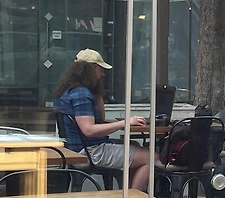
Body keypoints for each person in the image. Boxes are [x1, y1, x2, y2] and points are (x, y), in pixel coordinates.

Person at [53, 49, 157, 190]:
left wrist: (97, 92)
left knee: (134, 146)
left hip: (78, 149)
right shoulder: (81, 94)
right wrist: (125, 122)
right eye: (100, 70)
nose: (103, 74)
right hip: (89, 152)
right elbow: (89, 130)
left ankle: (128, 194)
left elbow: (100, 118)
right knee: (150, 157)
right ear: (90, 70)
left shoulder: (69, 91)